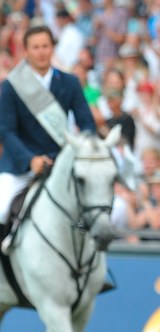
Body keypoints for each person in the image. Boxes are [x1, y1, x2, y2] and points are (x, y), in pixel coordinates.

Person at [0, 26, 96, 240]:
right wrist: (30, 160)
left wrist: (80, 150)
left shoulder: (70, 82)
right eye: (35, 47)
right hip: (20, 167)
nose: (41, 52)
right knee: (2, 209)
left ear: (53, 48)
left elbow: (87, 123)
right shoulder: (11, 86)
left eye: (45, 46)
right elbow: (6, 131)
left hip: (61, 162)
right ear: (25, 51)